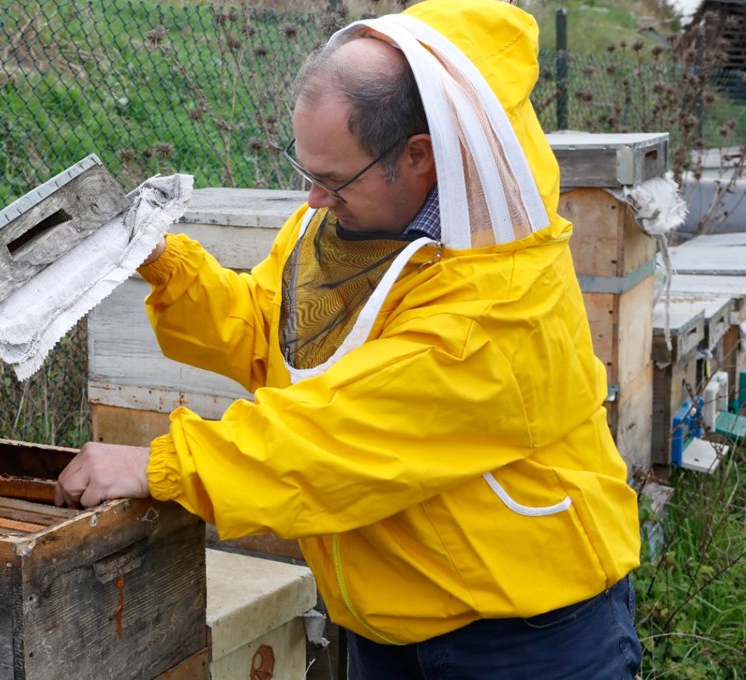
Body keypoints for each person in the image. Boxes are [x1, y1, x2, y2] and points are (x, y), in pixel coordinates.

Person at [55, 0, 643, 677]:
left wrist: (163, 466)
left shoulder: (501, 300)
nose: (313, 199)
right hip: (384, 628)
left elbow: (342, 437)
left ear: (418, 156)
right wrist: (163, 263)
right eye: (307, 172)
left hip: (526, 641)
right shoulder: (345, 223)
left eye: (333, 180)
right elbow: (274, 337)